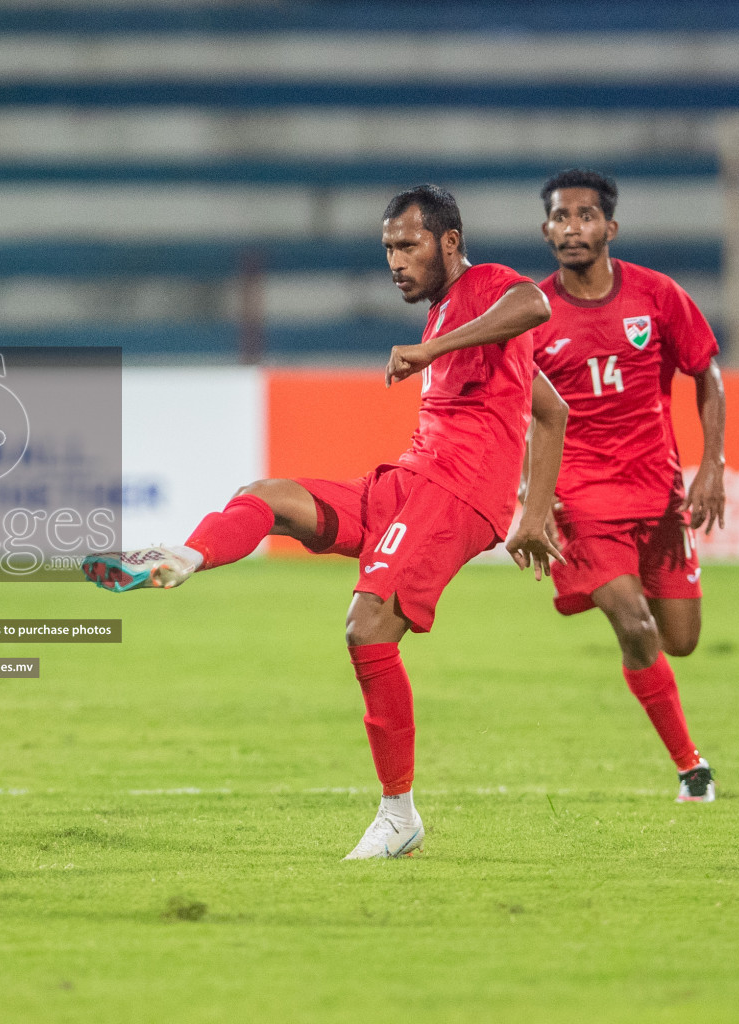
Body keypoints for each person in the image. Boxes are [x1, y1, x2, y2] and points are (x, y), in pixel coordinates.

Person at [83, 184, 569, 859]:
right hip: (411, 480)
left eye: (408, 244)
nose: (395, 261)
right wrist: (535, 514)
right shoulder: (449, 320)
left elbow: (535, 302)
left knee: (368, 627)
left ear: (449, 242)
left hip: (456, 492)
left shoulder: (487, 287)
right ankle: (185, 559)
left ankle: (398, 814)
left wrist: (433, 352)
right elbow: (553, 411)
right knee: (271, 495)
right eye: (388, 249)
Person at [530, 168, 725, 802]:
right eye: (561, 217)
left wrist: (713, 465)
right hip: (581, 500)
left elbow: (708, 375)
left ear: (609, 228)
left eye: (585, 216)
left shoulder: (657, 295)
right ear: (546, 229)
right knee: (636, 630)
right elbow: (516, 413)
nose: (572, 227)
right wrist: (531, 505)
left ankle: (632, 599)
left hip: (659, 494)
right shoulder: (532, 313)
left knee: (682, 641)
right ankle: (692, 768)